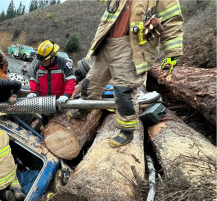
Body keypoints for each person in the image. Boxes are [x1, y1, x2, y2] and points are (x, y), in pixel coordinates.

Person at [67, 0, 183, 148]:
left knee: (124, 91)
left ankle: (126, 130)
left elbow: (172, 21)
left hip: (130, 47)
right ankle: (84, 109)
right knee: (91, 83)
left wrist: (173, 53)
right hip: (106, 43)